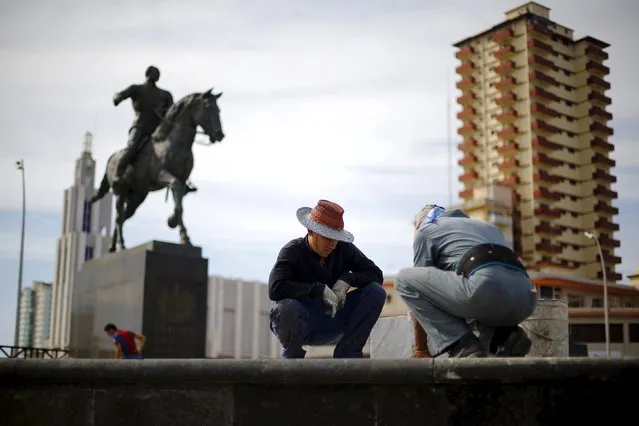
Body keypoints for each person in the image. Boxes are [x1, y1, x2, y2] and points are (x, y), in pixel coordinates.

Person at [394, 204, 538, 358]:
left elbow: (423, 292)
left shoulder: (426, 230)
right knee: (476, 294)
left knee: (404, 279)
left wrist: (421, 349)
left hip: (483, 289)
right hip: (526, 299)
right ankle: (506, 337)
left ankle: (462, 344)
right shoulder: (489, 228)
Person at [268, 199, 387, 359]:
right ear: (311, 231)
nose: (332, 244)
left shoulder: (344, 249)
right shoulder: (292, 251)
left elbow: (376, 274)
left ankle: (348, 355)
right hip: (303, 321)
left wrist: (347, 279)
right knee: (285, 308)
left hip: (332, 316)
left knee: (376, 292)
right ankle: (293, 359)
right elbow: (276, 288)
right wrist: (319, 290)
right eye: (327, 238)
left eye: (336, 238)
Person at [111, 65, 196, 193]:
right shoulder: (137, 89)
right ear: (148, 73)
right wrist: (117, 97)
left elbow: (172, 113)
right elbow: (120, 94)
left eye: (158, 74)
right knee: (132, 147)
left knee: (174, 149)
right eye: (155, 73)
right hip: (140, 127)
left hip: (158, 130)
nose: (157, 75)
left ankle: (182, 179)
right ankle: (118, 174)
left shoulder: (165, 94)